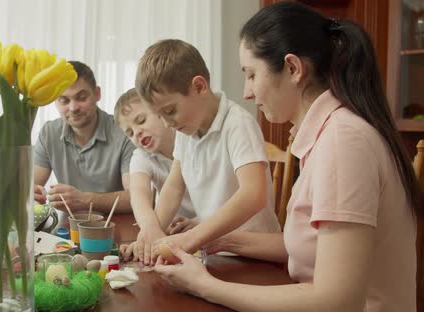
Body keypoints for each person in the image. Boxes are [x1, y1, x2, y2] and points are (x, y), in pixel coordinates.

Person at [154, 2, 423, 311]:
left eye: (252, 74)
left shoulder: (343, 141)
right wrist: (216, 241)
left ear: (293, 69)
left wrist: (204, 285)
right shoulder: (330, 133)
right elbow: (307, 243)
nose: (247, 92)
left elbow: (338, 299)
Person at [134, 38, 281, 265]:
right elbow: (174, 187)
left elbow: (254, 195)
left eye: (170, 111)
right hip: (212, 251)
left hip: (253, 256)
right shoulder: (186, 130)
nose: (166, 123)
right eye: (159, 116)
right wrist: (153, 231)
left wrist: (193, 237)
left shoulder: (238, 123)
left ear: (200, 87)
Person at [33, 61, 135, 213]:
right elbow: (30, 187)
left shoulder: (124, 131)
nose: (73, 108)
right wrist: (33, 194)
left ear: (97, 93)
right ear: (55, 100)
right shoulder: (49, 133)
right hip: (69, 228)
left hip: (117, 226)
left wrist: (84, 200)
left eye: (81, 97)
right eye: (64, 100)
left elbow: (137, 198)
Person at [113, 88, 199, 262]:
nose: (137, 132)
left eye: (141, 120)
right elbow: (138, 196)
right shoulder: (141, 156)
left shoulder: (191, 140)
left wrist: (199, 221)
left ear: (161, 112)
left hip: (209, 226)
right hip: (170, 232)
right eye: (129, 132)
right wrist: (148, 233)